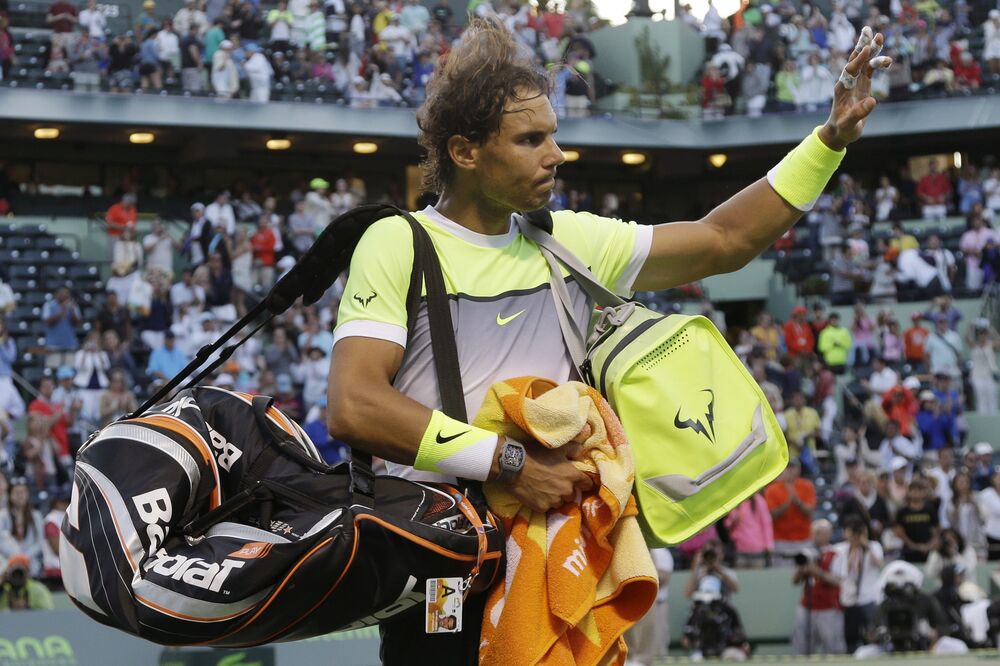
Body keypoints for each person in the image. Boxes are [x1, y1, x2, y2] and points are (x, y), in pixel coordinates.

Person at [326, 17, 889, 661]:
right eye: (530, 139)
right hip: (443, 560)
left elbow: (723, 241)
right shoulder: (399, 241)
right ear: (464, 151)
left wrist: (829, 140)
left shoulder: (565, 240)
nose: (555, 154)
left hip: (562, 555)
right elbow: (355, 405)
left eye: (554, 135)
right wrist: (512, 464)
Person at [830, 515, 884, 654]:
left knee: (872, 634)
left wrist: (865, 545)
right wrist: (852, 550)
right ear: (845, 532)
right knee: (850, 637)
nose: (855, 534)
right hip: (849, 600)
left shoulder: (874, 546)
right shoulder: (840, 549)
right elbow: (840, 573)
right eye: (852, 531)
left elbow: (879, 564)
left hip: (868, 598)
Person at [791, 519, 845, 655]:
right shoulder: (806, 552)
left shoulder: (836, 553)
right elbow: (794, 581)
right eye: (814, 533)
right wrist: (802, 568)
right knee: (802, 647)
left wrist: (817, 571)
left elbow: (838, 581)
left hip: (828, 607)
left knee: (833, 648)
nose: (815, 536)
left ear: (828, 534)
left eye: (819, 533)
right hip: (807, 606)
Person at [624, 548, 673, 666]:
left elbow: (660, 580)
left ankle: (642, 659)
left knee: (658, 650)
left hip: (655, 602)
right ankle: (628, 656)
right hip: (630, 597)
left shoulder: (661, 552)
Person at [766, 460, 817, 561]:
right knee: (782, 574)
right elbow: (772, 515)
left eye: (793, 467)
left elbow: (810, 510)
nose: (790, 471)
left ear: (799, 469)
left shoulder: (807, 486)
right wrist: (787, 503)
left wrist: (797, 502)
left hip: (803, 539)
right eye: (788, 468)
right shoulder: (772, 489)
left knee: (805, 572)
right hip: (781, 540)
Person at [894, 477, 941, 563]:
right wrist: (913, 546)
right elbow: (899, 531)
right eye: (913, 490)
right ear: (908, 492)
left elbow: (937, 530)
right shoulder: (903, 511)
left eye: (919, 490)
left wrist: (928, 545)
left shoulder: (930, 509)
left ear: (924, 492)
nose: (916, 492)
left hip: (927, 551)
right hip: (908, 551)